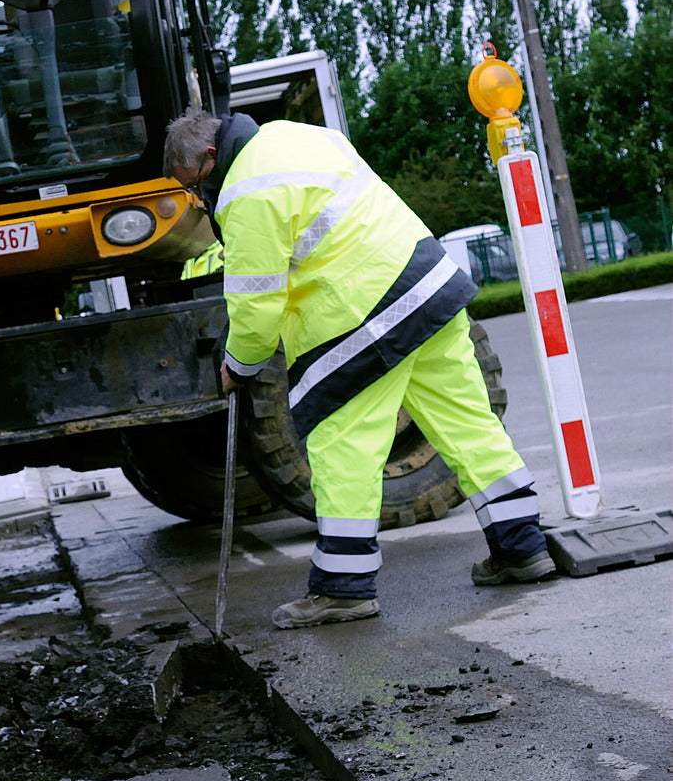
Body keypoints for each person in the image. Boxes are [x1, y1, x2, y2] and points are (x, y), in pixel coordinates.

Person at [163, 110, 556, 629]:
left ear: (210, 158)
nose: (200, 199)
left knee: (339, 446)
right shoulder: (298, 136)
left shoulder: (243, 190)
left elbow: (256, 305)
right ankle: (522, 548)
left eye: (195, 187)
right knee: (469, 424)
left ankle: (343, 589)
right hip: (427, 284)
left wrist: (238, 365)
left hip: (361, 316)